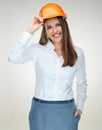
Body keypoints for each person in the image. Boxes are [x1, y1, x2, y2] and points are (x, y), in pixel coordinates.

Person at [8, 3, 87, 130]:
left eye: (57, 25)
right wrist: (30, 30)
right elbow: (13, 57)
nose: (54, 31)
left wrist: (80, 107)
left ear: (64, 25)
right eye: (49, 27)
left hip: (66, 110)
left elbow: (82, 82)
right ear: (44, 30)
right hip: (41, 110)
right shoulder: (37, 50)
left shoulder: (78, 53)